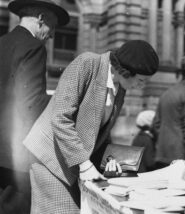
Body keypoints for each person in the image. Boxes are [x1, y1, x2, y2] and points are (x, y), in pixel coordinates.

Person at [22, 40, 159, 213]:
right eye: (141, 80)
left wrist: (111, 160)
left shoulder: (121, 87)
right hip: (51, 159)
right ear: (125, 71)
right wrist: (85, 165)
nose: (142, 86)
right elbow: (60, 118)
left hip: (76, 164)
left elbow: (100, 131)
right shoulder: (87, 63)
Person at [0, 0, 69, 212]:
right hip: (16, 159)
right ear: (40, 19)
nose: (51, 35)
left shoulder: (2, 42)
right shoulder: (34, 47)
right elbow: (31, 104)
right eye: (53, 27)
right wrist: (64, 102)